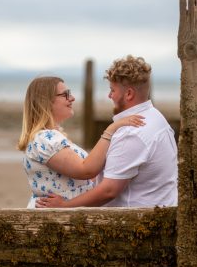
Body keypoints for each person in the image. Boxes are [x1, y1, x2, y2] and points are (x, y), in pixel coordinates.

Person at [36, 55, 178, 208]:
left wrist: (65, 205)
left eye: (112, 90)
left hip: (136, 222)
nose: (109, 96)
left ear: (129, 94)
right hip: (161, 209)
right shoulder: (156, 117)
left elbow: (109, 191)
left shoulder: (132, 132)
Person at [18, 76, 145, 209]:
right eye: (65, 94)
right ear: (46, 101)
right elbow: (87, 170)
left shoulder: (49, 136)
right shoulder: (46, 138)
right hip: (57, 218)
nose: (72, 98)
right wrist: (111, 130)